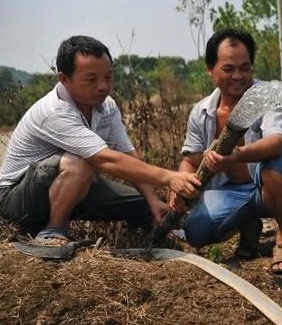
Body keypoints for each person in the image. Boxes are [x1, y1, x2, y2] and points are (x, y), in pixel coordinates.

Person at [0, 35, 201, 243]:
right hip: (17, 199)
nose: (103, 86)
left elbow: (126, 154)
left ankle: (146, 236)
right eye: (91, 79)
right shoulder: (54, 111)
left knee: (142, 205)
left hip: (72, 185)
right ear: (64, 79)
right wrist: (170, 177)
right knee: (81, 160)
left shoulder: (107, 106)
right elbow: (105, 159)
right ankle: (53, 231)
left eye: (108, 77)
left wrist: (151, 200)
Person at [170, 28, 282, 274]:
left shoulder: (268, 95)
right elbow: (190, 159)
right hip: (230, 191)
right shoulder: (201, 112)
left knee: (274, 164)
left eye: (245, 68)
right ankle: (248, 227)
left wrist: (236, 156)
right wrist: (179, 182)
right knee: (195, 231)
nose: (238, 76)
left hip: (269, 187)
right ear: (210, 70)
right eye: (228, 69)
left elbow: (276, 142)